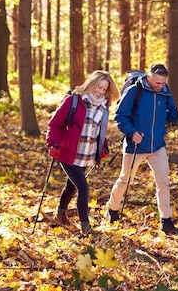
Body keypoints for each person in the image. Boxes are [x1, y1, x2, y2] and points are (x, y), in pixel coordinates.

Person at [105, 63, 178, 235]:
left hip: (157, 145)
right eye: (157, 83)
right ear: (149, 78)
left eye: (163, 82)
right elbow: (120, 116)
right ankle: (112, 210)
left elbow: (171, 115)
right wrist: (131, 132)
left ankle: (166, 222)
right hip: (136, 145)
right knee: (125, 180)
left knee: (163, 182)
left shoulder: (164, 92)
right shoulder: (135, 91)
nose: (160, 86)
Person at [46, 70, 120, 236]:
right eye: (98, 87)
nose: (99, 91)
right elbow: (54, 124)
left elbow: (98, 131)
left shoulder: (103, 107)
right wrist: (53, 143)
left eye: (103, 89)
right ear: (91, 83)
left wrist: (104, 146)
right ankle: (85, 227)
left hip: (87, 155)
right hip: (67, 152)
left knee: (71, 186)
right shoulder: (74, 101)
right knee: (83, 188)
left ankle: (60, 214)